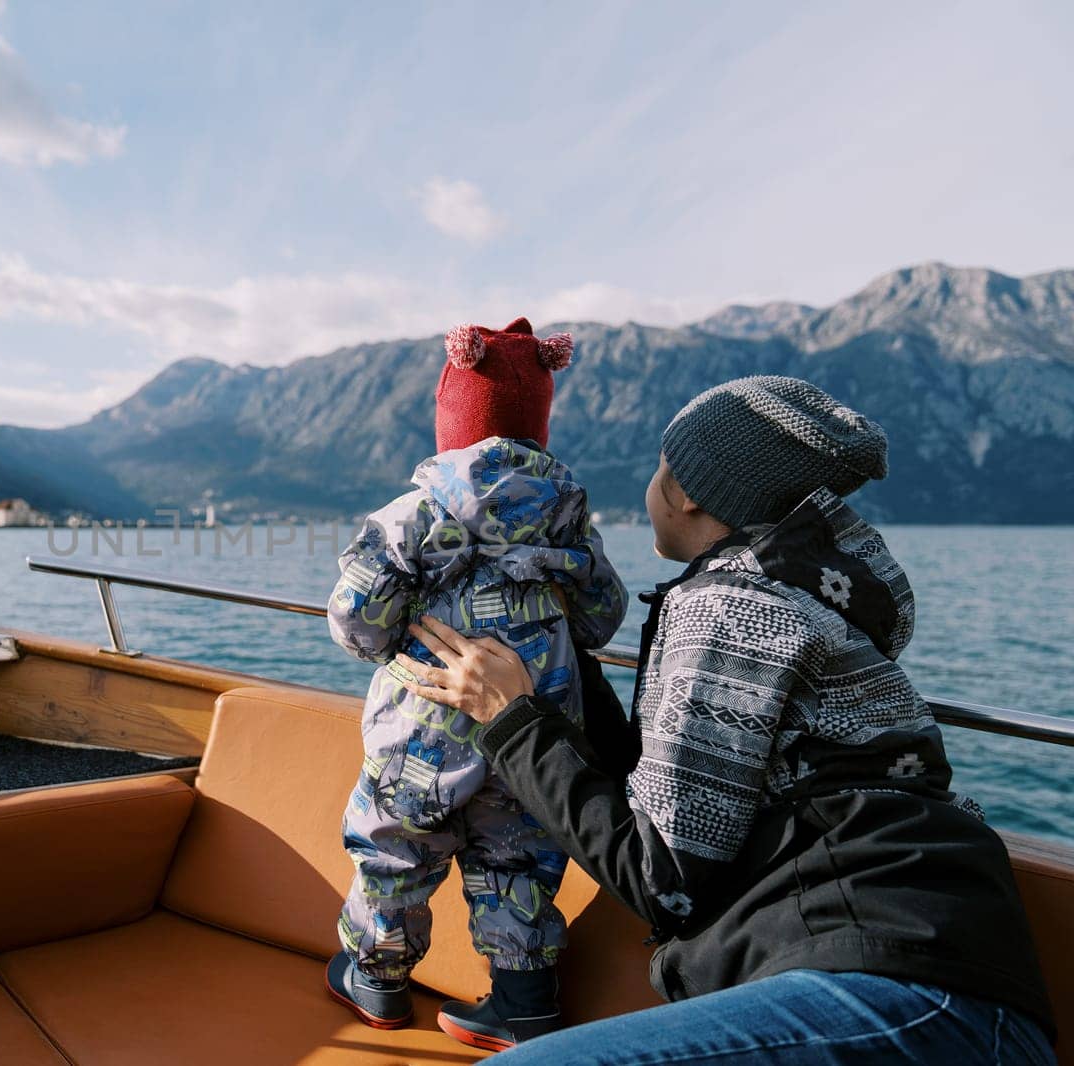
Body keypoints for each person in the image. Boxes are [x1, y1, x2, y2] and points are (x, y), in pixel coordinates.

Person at [393, 375, 1057, 1064]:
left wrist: (511, 719)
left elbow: (663, 879)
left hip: (903, 995)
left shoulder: (732, 608)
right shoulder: (791, 597)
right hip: (943, 987)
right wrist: (564, 663)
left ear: (684, 491)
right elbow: (664, 807)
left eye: (659, 466)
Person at [324, 318, 627, 1051]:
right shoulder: (571, 523)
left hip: (419, 733)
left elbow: (355, 619)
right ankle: (522, 1004)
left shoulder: (414, 514)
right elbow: (601, 621)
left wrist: (394, 643)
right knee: (518, 863)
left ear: (451, 422)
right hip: (529, 732)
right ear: (539, 426)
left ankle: (379, 981)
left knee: (394, 850)